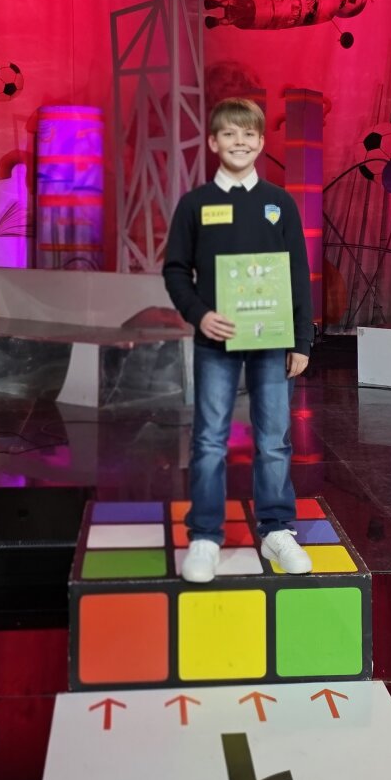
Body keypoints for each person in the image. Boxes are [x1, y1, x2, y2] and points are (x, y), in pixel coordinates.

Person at [163, 97, 314, 583]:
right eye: (229, 133)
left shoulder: (280, 202)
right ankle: (206, 536)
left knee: (274, 440)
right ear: (213, 142)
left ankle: (277, 530)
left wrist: (302, 340)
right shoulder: (195, 204)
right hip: (216, 344)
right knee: (209, 441)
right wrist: (200, 315)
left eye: (249, 134)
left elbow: (297, 273)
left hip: (273, 342)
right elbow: (175, 271)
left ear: (262, 141)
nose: (240, 142)